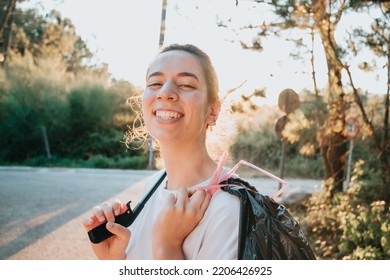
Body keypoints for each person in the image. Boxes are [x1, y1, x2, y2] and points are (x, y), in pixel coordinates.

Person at [82, 43, 240, 260]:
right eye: (155, 83)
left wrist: (168, 245)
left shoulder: (229, 208)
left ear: (213, 110)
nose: (165, 93)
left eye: (185, 84)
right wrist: (114, 262)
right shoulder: (153, 185)